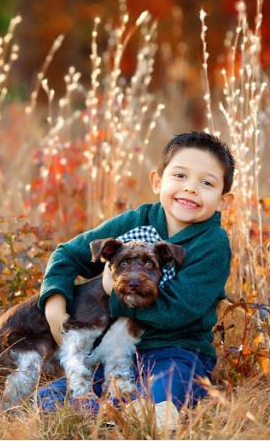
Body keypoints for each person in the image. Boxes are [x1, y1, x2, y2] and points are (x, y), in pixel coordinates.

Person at [35, 131, 234, 432]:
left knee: (160, 397)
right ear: (157, 181)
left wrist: (109, 291)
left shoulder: (212, 243)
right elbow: (68, 254)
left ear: (223, 199)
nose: (191, 189)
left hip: (178, 351)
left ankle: (145, 417)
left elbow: (177, 311)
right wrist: (54, 304)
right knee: (48, 401)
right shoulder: (137, 221)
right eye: (180, 175)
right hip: (118, 351)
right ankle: (101, 417)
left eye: (206, 183)